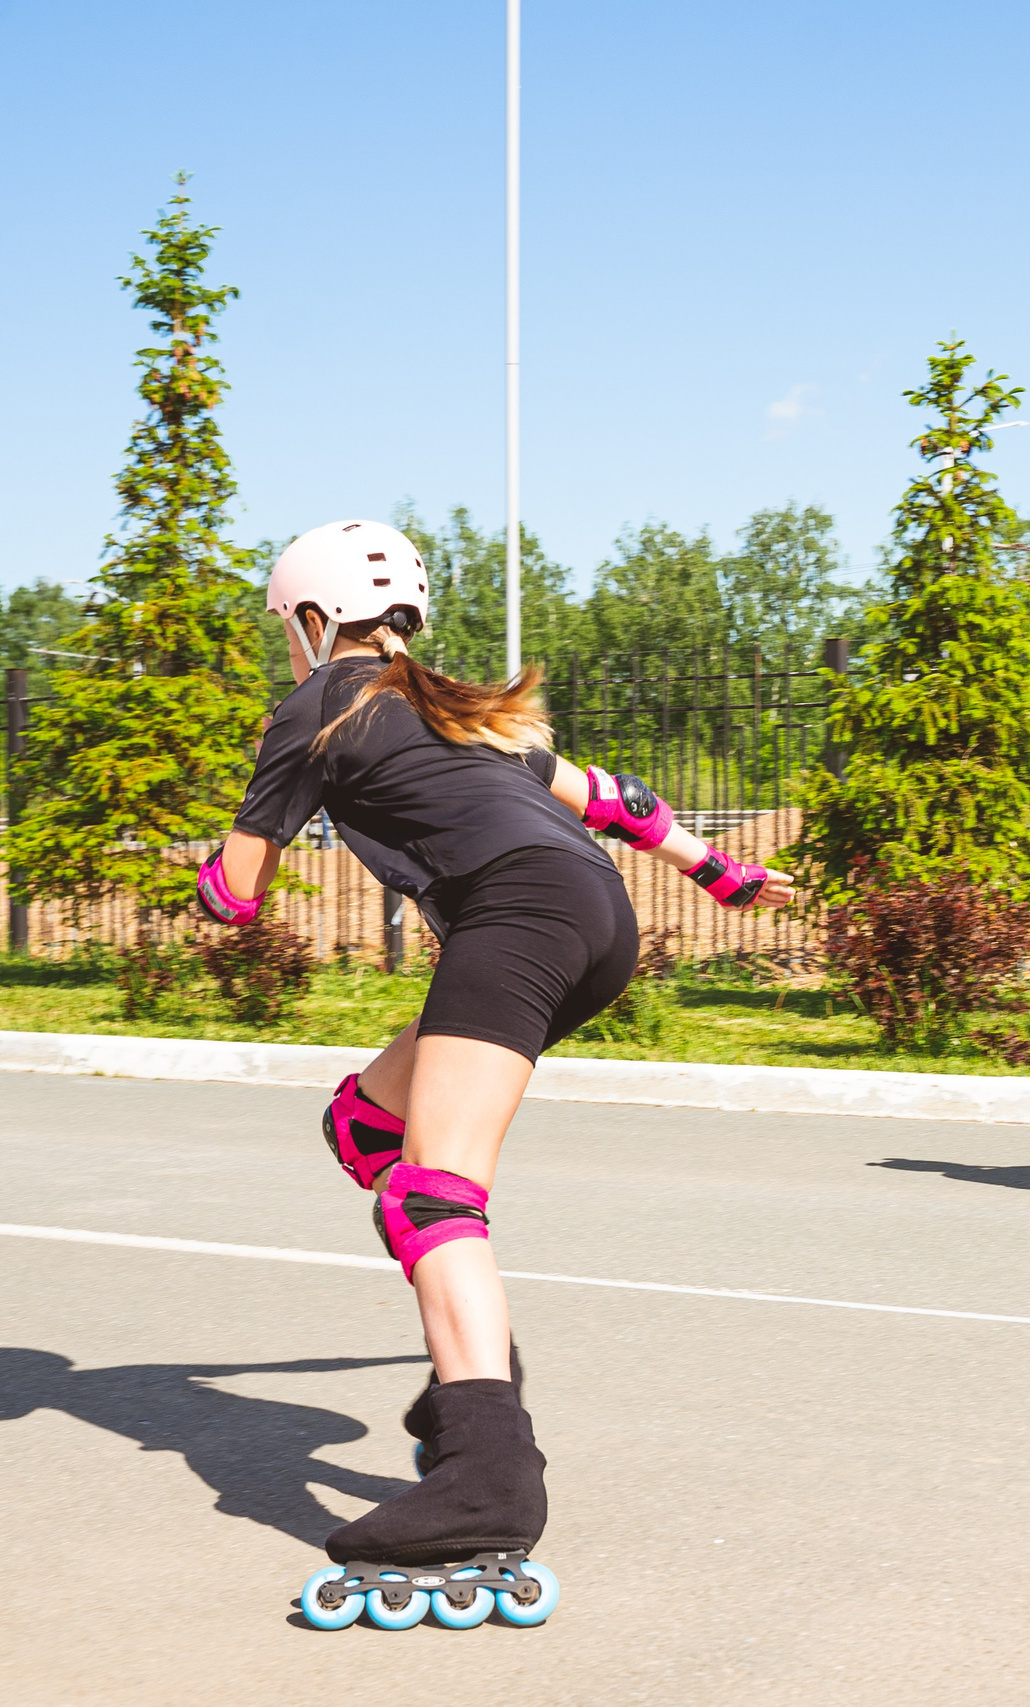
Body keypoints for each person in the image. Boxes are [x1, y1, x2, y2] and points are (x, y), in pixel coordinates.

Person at [198, 518, 793, 1613]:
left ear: (315, 620)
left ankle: (486, 1474)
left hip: (515, 914)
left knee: (431, 1192)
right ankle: (468, 1388)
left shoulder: (314, 705)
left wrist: (200, 873)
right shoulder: (455, 707)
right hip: (589, 918)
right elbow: (613, 799)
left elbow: (236, 896)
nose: (292, 647)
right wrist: (722, 875)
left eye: (290, 628)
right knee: (367, 1131)